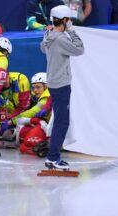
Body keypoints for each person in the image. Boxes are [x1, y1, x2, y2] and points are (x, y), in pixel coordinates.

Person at [40, 5, 84, 170]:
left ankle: (53, 156)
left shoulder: (50, 36)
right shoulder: (61, 38)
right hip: (61, 84)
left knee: (60, 120)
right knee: (62, 122)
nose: (70, 22)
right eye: (69, 20)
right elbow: (80, 49)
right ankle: (53, 157)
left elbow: (42, 48)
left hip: (53, 82)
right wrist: (71, 31)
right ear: (64, 20)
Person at [0, 72, 51, 138]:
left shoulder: (45, 98)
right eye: (33, 87)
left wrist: (11, 121)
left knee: (23, 133)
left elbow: (32, 112)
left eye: (38, 87)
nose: (35, 90)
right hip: (47, 125)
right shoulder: (42, 95)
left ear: (46, 87)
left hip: (50, 128)